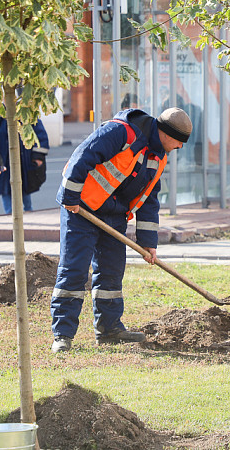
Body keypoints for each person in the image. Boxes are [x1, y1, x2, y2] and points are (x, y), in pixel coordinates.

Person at [50, 107, 192, 353]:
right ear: (167, 134)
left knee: (111, 274)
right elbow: (82, 156)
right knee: (74, 270)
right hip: (81, 209)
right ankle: (62, 335)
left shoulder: (158, 156)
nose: (180, 147)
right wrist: (70, 196)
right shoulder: (122, 132)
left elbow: (149, 200)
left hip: (114, 215)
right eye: (179, 142)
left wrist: (149, 243)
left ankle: (109, 329)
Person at [0, 116, 49, 214]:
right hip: (4, 162)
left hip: (23, 161)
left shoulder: (26, 114)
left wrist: (37, 157)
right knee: (5, 190)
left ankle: (28, 212)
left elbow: (41, 136)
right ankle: (9, 214)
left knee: (24, 187)